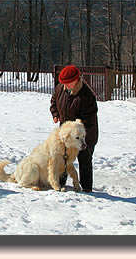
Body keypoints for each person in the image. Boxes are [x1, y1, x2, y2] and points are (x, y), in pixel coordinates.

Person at [50, 65, 98, 193]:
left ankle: (87, 187)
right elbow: (54, 102)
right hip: (66, 135)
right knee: (64, 158)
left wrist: (77, 125)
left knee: (84, 159)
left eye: (68, 83)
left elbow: (89, 117)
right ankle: (61, 183)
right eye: (64, 83)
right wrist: (56, 115)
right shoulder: (60, 89)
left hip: (85, 135)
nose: (66, 85)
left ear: (76, 79)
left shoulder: (86, 95)